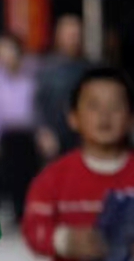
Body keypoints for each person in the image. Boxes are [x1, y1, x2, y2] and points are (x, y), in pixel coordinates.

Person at [22, 67, 134, 261]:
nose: (105, 115)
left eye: (115, 106)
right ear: (73, 117)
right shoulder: (51, 179)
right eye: (94, 106)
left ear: (131, 118)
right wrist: (65, 240)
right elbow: (32, 229)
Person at [0, 34, 40, 223]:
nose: (4, 55)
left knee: (32, 173)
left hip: (30, 133)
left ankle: (32, 210)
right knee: (12, 175)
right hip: (8, 134)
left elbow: (40, 103)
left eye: (7, 49)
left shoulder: (32, 71)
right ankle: (18, 212)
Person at [35, 15, 89, 159]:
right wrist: (43, 131)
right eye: (70, 35)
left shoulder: (88, 68)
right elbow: (37, 103)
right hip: (54, 139)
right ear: (58, 36)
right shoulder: (46, 68)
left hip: (82, 138)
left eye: (77, 34)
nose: (74, 39)